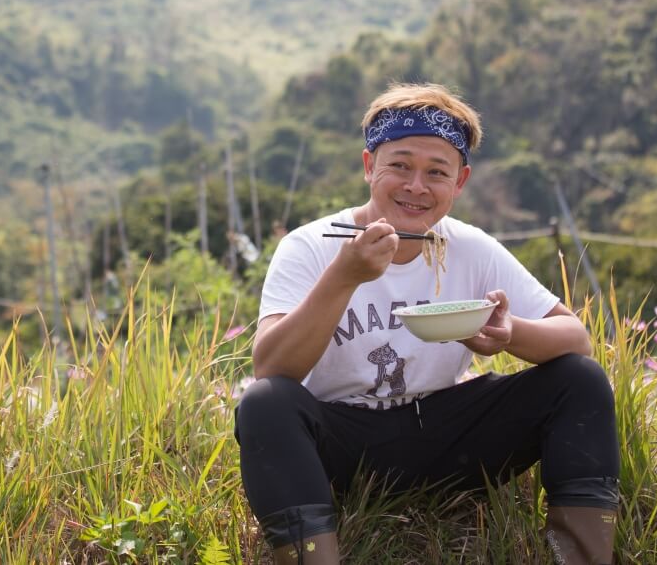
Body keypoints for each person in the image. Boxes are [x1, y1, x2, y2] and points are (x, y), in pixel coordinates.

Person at [234, 83, 619, 565]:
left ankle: (583, 557)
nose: (416, 186)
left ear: (459, 183)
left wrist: (509, 334)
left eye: (437, 172)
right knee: (265, 403)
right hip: (341, 450)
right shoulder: (312, 247)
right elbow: (271, 365)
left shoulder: (469, 247)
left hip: (448, 441)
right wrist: (343, 278)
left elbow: (575, 339)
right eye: (399, 165)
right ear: (369, 165)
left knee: (579, 380)